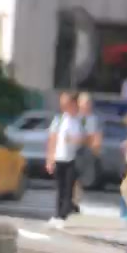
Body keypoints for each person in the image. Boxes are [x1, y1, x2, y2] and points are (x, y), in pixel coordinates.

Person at [45, 92, 86, 228]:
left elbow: (87, 139)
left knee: (69, 189)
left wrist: (76, 140)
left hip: (73, 159)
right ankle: (58, 214)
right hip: (59, 158)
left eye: (66, 103)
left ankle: (63, 216)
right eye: (62, 103)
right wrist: (50, 159)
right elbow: (52, 139)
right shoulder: (59, 119)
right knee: (60, 188)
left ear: (73, 104)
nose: (63, 105)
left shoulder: (81, 120)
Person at [71, 92, 102, 213]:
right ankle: (72, 202)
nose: (87, 105)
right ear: (79, 104)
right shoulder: (73, 117)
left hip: (86, 152)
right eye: (84, 103)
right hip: (73, 150)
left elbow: (97, 135)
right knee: (72, 177)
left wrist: (96, 149)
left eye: (88, 103)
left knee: (81, 179)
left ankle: (75, 201)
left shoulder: (94, 119)